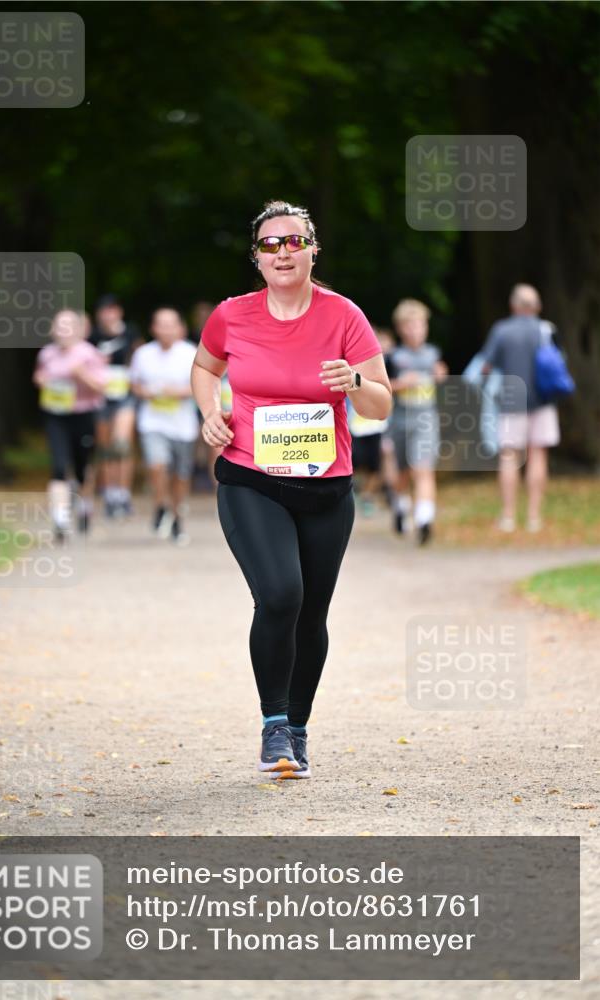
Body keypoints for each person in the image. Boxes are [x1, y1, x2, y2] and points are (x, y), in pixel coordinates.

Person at [191, 199, 391, 780]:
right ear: (256, 257)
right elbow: (205, 368)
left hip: (326, 488)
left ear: (312, 251)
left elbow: (381, 404)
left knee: (311, 613)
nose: (283, 252)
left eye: (295, 241)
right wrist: (210, 411)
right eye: (271, 244)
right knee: (281, 594)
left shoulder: (344, 316)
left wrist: (354, 380)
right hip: (250, 478)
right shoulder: (231, 315)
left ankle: (297, 730)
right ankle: (274, 724)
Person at [481, 283, 561, 533]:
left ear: (513, 305)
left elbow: (486, 366)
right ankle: (534, 518)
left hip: (511, 401)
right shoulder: (547, 329)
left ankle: (508, 517)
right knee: (538, 455)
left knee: (509, 457)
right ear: (537, 306)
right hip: (543, 401)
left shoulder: (502, 330)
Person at [33, 310, 108, 539]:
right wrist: (41, 380)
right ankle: (60, 518)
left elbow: (102, 387)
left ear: (78, 330)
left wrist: (81, 374)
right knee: (59, 466)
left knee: (81, 468)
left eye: (68, 327)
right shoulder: (47, 354)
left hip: (83, 415)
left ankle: (85, 505)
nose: (63, 332)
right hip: (56, 416)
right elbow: (39, 376)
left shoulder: (89, 353)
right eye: (59, 326)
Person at [130, 307, 199, 545]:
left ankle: (177, 517)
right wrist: (146, 392)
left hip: (183, 425)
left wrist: (177, 392)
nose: (166, 330)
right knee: (157, 465)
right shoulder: (143, 354)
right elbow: (134, 384)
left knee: (180, 475)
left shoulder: (191, 353)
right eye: (161, 325)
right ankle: (161, 505)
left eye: (171, 325)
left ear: (180, 328)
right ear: (153, 328)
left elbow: (201, 385)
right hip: (152, 422)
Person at [388, 299, 448, 545]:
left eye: (420, 325)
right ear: (401, 328)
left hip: (426, 420)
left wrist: (440, 377)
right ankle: (401, 507)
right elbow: (381, 387)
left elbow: (440, 383)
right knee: (403, 473)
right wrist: (401, 384)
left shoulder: (433, 354)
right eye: (410, 325)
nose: (416, 330)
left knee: (423, 469)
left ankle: (424, 520)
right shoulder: (393, 357)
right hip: (400, 421)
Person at [89, 294, 141, 518]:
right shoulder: (92, 335)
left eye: (112, 310)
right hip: (100, 395)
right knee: (105, 445)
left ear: (119, 312)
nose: (108, 315)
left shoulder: (130, 332)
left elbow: (139, 357)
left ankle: (124, 492)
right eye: (104, 310)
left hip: (124, 394)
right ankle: (110, 493)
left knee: (122, 442)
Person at [347, 326, 393, 515]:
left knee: (376, 464)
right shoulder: (349, 361)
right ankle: (355, 490)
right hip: (356, 425)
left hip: (377, 424)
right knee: (355, 461)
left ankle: (367, 496)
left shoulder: (388, 363)